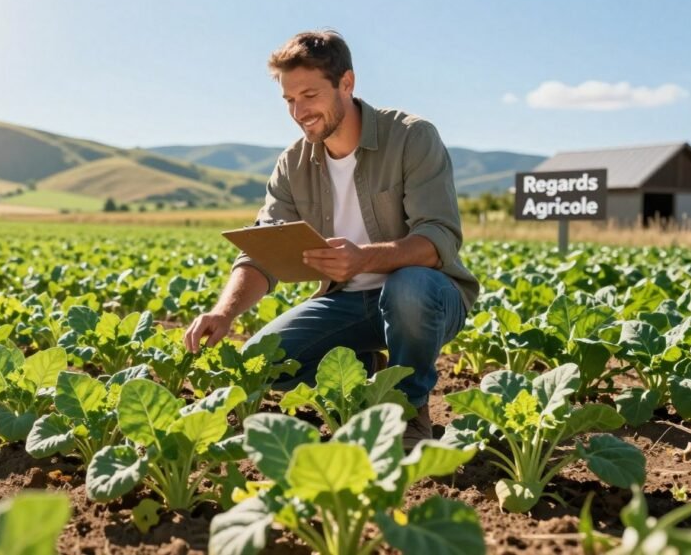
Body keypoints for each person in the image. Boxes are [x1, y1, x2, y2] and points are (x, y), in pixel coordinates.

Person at [183, 29, 479, 449]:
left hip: (428, 297)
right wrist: (224, 313)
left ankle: (409, 411)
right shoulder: (292, 164)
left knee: (408, 286)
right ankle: (363, 376)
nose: (299, 111)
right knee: (263, 363)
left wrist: (364, 259)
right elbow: (262, 251)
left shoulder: (412, 137)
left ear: (347, 83)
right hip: (346, 303)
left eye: (309, 95)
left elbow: (438, 238)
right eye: (289, 100)